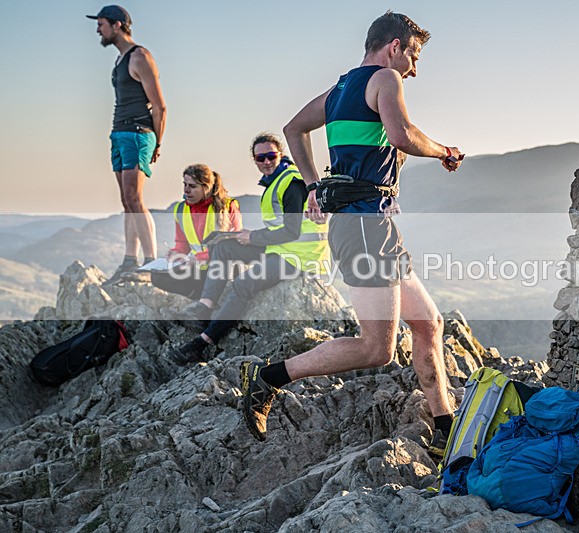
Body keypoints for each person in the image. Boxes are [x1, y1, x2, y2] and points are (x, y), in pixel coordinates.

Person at [239, 11, 464, 461]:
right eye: (414, 56)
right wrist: (445, 151)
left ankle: (444, 427)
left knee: (428, 324)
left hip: (372, 222)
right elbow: (401, 136)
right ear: (394, 46)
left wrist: (312, 186)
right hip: (362, 225)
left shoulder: (342, 87)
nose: (414, 69)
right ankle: (269, 379)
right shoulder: (384, 78)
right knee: (376, 349)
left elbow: (292, 129)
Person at [170, 133, 329, 364]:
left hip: (301, 257)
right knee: (223, 247)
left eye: (271, 156)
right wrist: (239, 237)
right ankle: (205, 308)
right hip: (282, 248)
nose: (266, 162)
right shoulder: (275, 181)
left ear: (280, 155)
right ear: (254, 159)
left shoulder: (291, 183)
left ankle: (202, 343)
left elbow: (292, 231)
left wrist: (252, 237)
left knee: (244, 283)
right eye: (260, 158)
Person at [88, 5, 167, 283]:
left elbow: (159, 107)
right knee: (126, 200)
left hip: (137, 132)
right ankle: (130, 261)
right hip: (119, 132)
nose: (98, 29)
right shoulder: (120, 59)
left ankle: (151, 263)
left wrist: (156, 143)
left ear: (118, 25)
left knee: (135, 198)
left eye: (102, 24)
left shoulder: (140, 56)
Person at [151, 164, 242, 300]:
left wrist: (199, 259)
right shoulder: (181, 210)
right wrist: (176, 253)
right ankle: (199, 297)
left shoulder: (228, 207)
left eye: (192, 186)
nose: (186, 190)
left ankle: (206, 299)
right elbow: (182, 243)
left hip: (221, 269)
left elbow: (234, 244)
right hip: (198, 269)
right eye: (185, 184)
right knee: (157, 276)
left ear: (206, 188)